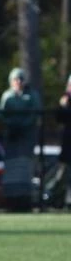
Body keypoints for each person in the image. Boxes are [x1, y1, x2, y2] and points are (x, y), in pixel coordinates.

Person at [0, 68, 41, 212]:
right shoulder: (7, 96)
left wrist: (23, 125)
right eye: (16, 79)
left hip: (26, 136)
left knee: (25, 166)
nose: (19, 82)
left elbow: (35, 113)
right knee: (12, 167)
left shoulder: (32, 95)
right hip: (11, 136)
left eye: (21, 79)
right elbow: (2, 114)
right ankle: (11, 200)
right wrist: (12, 126)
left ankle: (25, 199)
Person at [56, 75, 71, 209]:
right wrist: (62, 106)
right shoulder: (66, 100)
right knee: (61, 174)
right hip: (68, 144)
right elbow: (59, 119)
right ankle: (57, 200)